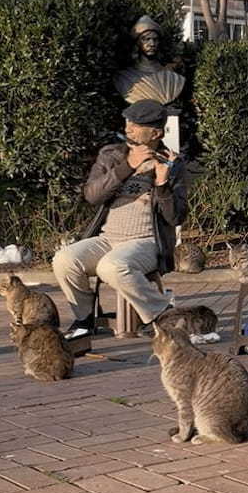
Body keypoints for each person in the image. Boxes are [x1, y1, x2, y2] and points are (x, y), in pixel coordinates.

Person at [53, 99, 186, 339]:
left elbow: (175, 217)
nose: (129, 127)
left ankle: (164, 314)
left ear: (155, 132)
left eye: (136, 124)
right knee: (64, 259)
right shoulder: (111, 155)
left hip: (146, 242)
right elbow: (92, 195)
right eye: (128, 121)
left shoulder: (172, 164)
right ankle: (84, 319)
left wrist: (163, 184)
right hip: (108, 239)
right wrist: (127, 166)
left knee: (112, 266)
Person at [114, 15, 185, 105]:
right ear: (137, 43)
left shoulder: (173, 79)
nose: (152, 44)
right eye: (146, 39)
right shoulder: (124, 78)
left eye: (155, 39)